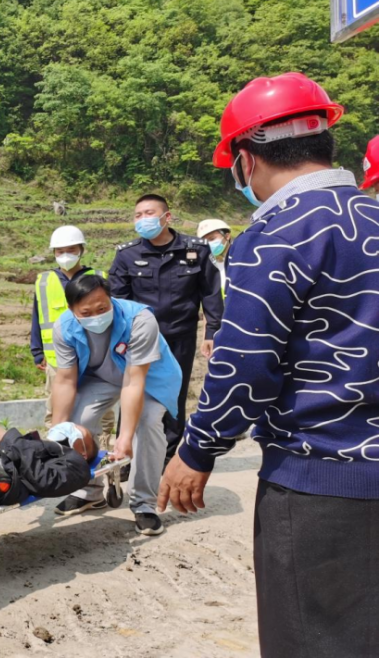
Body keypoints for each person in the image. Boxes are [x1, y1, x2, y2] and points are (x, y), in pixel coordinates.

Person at [159, 72, 379, 658]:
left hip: (319, 482)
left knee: (313, 640)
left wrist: (197, 450)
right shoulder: (373, 216)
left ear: (247, 160)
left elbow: (247, 365)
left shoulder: (275, 234)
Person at [50, 274, 182, 536]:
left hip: (149, 378)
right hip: (101, 376)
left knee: (146, 423)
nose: (96, 315)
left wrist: (124, 437)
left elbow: (134, 382)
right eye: (86, 312)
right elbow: (65, 381)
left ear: (111, 299)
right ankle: (89, 491)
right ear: (71, 310)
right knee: (77, 423)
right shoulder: (63, 327)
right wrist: (57, 433)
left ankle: (144, 504)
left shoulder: (140, 320)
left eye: (102, 308)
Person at [109, 194, 222, 465]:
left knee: (174, 396)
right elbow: (117, 300)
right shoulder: (127, 254)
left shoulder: (196, 249)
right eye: (138, 215)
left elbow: (211, 294)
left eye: (149, 213)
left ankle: (165, 457)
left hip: (181, 335)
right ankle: (127, 455)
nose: (143, 219)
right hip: (140, 339)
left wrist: (212, 333)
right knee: (134, 392)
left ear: (166, 217)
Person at [30, 225, 115, 440]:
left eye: (71, 250)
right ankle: (59, 449)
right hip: (56, 358)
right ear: (54, 253)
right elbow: (37, 317)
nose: (65, 256)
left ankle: (103, 452)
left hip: (96, 358)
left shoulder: (97, 277)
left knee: (100, 410)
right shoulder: (44, 281)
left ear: (81, 250)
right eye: (60, 251)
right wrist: (37, 351)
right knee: (56, 407)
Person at [196, 219, 232, 296]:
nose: (209, 243)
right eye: (204, 241)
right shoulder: (205, 266)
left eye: (212, 239)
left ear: (227, 236)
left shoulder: (241, 261)